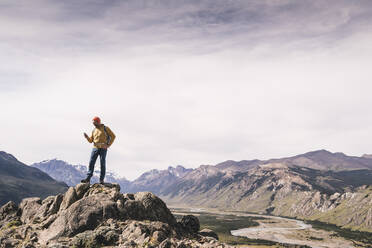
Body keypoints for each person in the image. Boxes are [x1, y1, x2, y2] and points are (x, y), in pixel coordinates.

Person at [81, 116, 116, 184]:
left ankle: (101, 180)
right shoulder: (94, 130)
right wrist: (87, 137)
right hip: (95, 148)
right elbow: (91, 141)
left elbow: (113, 136)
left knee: (102, 163)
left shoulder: (105, 128)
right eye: (93, 123)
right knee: (91, 162)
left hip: (103, 148)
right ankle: (88, 178)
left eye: (94, 122)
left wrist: (108, 145)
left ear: (98, 122)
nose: (93, 124)